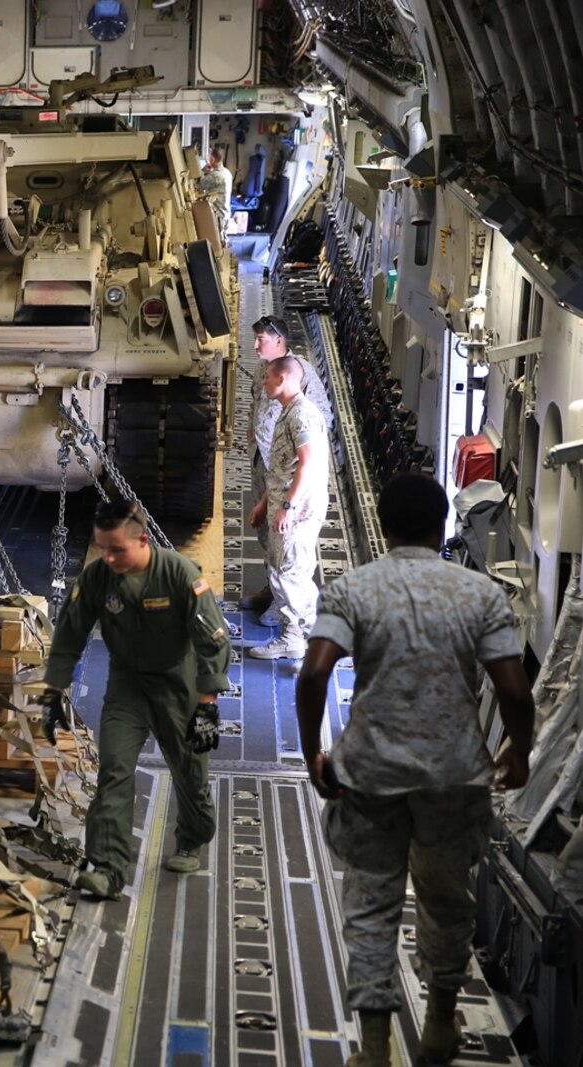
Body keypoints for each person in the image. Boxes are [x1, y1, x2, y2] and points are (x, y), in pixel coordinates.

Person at [296, 473, 534, 1067]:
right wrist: (521, 750)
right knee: (446, 896)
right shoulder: (481, 596)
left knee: (371, 902)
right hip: (455, 774)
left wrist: (313, 753)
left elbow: (313, 674)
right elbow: (513, 687)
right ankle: (438, 1025)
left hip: (371, 773)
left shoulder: (354, 589)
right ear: (442, 526)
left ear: (382, 525)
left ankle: (374, 1050)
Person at [45, 497, 232, 900]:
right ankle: (108, 868)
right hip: (127, 685)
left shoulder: (180, 575)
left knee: (191, 773)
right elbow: (70, 633)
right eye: (103, 548)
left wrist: (207, 704)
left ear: (143, 540)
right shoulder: (98, 578)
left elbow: (214, 642)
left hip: (179, 686)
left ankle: (191, 838)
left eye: (117, 549)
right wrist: (53, 689)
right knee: (113, 770)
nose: (108, 557)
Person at [241, 314, 333, 616]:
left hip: (288, 468)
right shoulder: (261, 369)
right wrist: (252, 429)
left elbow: (322, 418)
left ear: (279, 341)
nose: (255, 345)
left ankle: (287, 609)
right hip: (265, 463)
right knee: (268, 533)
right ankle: (273, 591)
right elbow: (258, 402)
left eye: (261, 340)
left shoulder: (300, 372)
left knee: (288, 541)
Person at [247, 355, 330, 659]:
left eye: (268, 377)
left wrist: (287, 507)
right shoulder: (289, 412)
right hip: (287, 505)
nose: (264, 382)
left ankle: (295, 637)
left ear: (282, 379)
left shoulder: (300, 416)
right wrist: (264, 503)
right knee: (286, 568)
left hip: (299, 511)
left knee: (289, 572)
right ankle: (307, 632)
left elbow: (307, 464)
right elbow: (286, 467)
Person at [199, 147, 234, 240]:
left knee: (215, 243)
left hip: (219, 216)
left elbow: (198, 185)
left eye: (208, 159)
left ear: (212, 160)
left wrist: (203, 170)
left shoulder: (215, 176)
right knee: (220, 241)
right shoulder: (226, 172)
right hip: (224, 214)